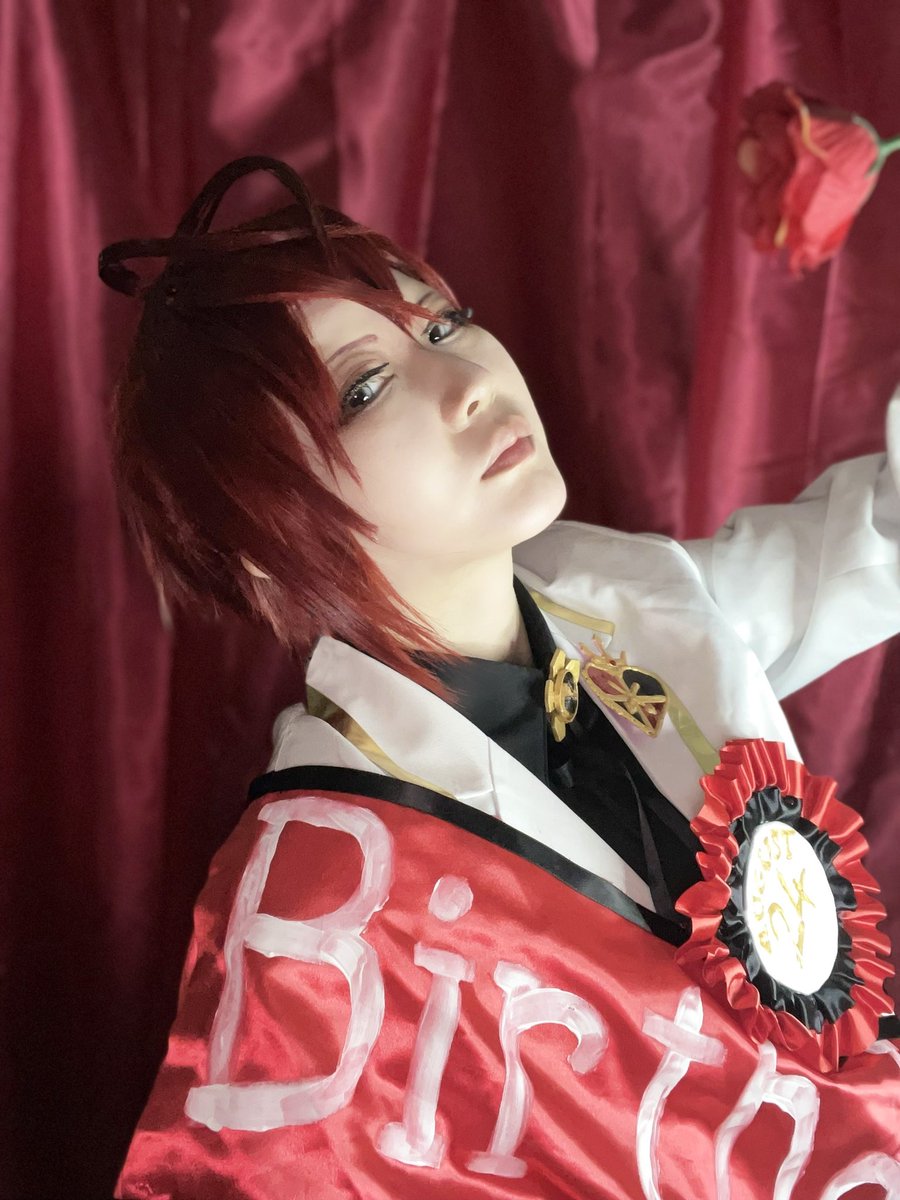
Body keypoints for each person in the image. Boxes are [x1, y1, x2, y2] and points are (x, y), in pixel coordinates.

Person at [101, 156, 899, 1200]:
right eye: (366, 388)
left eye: (443, 325)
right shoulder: (314, 897)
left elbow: (876, 543)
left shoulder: (633, 598)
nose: (471, 379)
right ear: (259, 539)